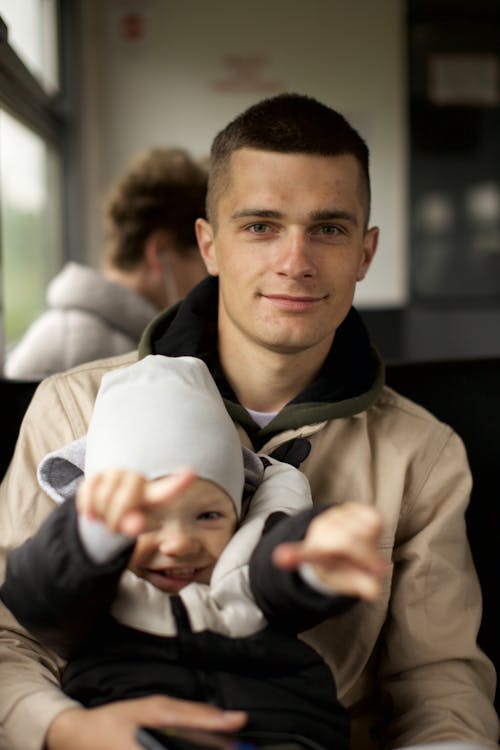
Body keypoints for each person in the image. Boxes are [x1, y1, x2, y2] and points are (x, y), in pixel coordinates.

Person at [0, 93, 498, 750]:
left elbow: (437, 680)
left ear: (365, 254)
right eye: (261, 226)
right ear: (208, 244)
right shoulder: (71, 406)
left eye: (328, 229)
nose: (296, 262)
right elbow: (10, 636)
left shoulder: (422, 453)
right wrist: (67, 731)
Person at [1, 354, 385, 750]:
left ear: (240, 510)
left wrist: (314, 564)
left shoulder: (256, 575)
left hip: (285, 734)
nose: (180, 543)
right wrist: (90, 539)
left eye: (207, 515)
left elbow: (283, 572)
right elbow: (36, 596)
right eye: (145, 519)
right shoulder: (96, 600)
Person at [4, 147, 208, 381]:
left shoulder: (128, 339)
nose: (209, 279)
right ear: (160, 251)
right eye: (203, 264)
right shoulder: (71, 350)